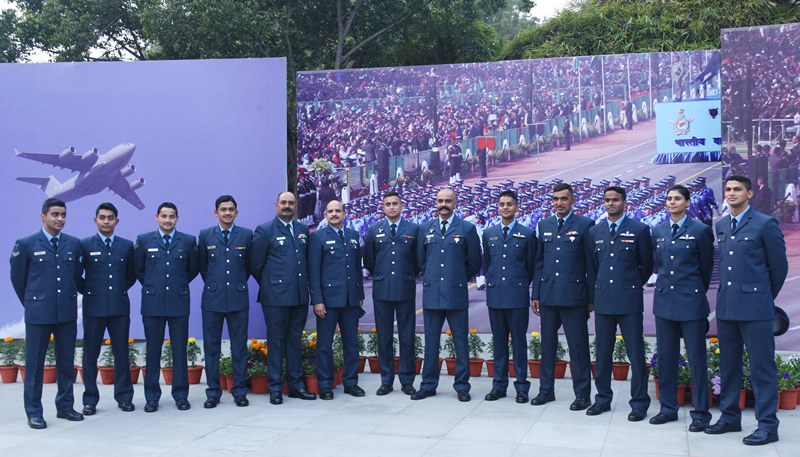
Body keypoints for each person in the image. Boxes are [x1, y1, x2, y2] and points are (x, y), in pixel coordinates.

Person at [706, 175, 787, 446]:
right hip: (727, 308)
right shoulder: (721, 224)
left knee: (761, 368)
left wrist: (762, 297)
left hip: (756, 309)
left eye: (738, 189)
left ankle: (768, 425)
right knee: (729, 366)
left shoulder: (765, 223)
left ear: (749, 193)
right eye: (728, 189)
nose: (731, 193)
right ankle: (730, 417)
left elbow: (779, 268)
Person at [10, 198, 84, 429]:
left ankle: (65, 406)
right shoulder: (26, 244)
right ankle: (34, 412)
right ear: (43, 216)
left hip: (66, 313)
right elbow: (18, 279)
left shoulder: (73, 244)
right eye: (55, 214)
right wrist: (34, 303)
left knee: (66, 362)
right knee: (35, 365)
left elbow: (75, 275)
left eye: (63, 214)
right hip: (39, 314)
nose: (60, 219)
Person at [649, 185, 714, 431]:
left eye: (677, 198)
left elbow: (705, 269)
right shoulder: (658, 230)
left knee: (697, 359)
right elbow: (658, 264)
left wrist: (691, 291)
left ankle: (701, 413)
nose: (672, 202)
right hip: (664, 302)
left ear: (687, 202)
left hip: (691, 303)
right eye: (669, 198)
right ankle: (668, 408)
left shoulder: (700, 230)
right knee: (666, 358)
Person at [587, 186, 652, 421]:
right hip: (604, 300)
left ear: (625, 203)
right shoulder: (595, 231)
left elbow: (647, 265)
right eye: (607, 200)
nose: (611, 204)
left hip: (629, 301)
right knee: (603, 353)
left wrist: (629, 284)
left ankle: (639, 403)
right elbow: (593, 267)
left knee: (636, 353)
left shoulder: (639, 229)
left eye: (615, 200)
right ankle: (602, 399)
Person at [412, 188, 482, 402]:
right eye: (440, 200)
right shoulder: (425, 228)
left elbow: (474, 261)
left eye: (448, 201)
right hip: (432, 294)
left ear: (455, 203)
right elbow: (420, 260)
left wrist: (457, 277)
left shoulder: (467, 228)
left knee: (460, 341)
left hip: (456, 293)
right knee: (431, 341)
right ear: (436, 203)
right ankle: (428, 385)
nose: (443, 204)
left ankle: (462, 386)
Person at [531, 183, 594, 410]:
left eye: (564, 198)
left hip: (574, 297)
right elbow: (539, 262)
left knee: (578, 348)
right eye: (556, 199)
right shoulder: (544, 225)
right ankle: (545, 391)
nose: (559, 203)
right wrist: (536, 293)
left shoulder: (585, 225)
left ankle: (583, 395)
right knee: (547, 347)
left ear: (572, 201)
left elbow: (591, 265)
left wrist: (590, 298)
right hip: (548, 296)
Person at [250, 191, 317, 404]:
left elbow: (305, 262)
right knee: (277, 342)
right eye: (283, 203)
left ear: (296, 206)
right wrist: (273, 284)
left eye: (291, 203)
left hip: (298, 296)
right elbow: (256, 265)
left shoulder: (302, 230)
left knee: (295, 341)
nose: (287, 206)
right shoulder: (265, 230)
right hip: (275, 297)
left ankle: (296, 385)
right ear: (276, 205)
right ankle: (275, 388)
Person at [134, 202, 199, 413]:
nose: (167, 220)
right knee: (153, 351)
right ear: (157, 217)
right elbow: (139, 270)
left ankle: (181, 395)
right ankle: (152, 397)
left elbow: (193, 269)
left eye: (171, 216)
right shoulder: (144, 240)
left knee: (179, 350)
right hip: (152, 304)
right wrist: (154, 287)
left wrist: (177, 286)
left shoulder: (188, 241)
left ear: (177, 218)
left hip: (178, 303)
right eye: (164, 216)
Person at [79, 202, 136, 416]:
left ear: (117, 221)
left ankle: (124, 397)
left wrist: (118, 290)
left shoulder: (126, 246)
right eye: (102, 218)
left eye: (110, 218)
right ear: (95, 220)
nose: (106, 221)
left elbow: (131, 275)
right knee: (90, 355)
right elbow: (76, 275)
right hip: (93, 308)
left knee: (121, 354)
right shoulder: (84, 245)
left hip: (119, 308)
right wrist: (91, 291)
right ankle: (90, 400)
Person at [363, 191, 419, 396]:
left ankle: (407, 381)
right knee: (384, 337)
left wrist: (407, 274)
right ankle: (386, 381)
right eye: (388, 204)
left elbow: (417, 259)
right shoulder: (374, 229)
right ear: (383, 207)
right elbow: (369, 259)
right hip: (382, 290)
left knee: (407, 337)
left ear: (401, 206)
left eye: (395, 203)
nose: (392, 207)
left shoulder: (413, 229)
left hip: (405, 288)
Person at [198, 195, 252, 409]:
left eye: (231, 209)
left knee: (239, 347)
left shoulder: (246, 235)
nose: (227, 213)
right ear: (216, 213)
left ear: (236, 212)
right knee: (211, 347)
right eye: (223, 209)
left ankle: (239, 391)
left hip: (238, 298)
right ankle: (213, 392)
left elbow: (248, 267)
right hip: (213, 299)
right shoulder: (205, 235)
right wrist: (216, 285)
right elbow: (203, 267)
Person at [309, 200, 366, 400]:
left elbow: (357, 267)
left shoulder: (352, 235)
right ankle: (325, 385)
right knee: (325, 345)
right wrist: (317, 300)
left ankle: (351, 383)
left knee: (351, 344)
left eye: (338, 211)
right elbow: (314, 271)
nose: (334, 214)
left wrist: (360, 294)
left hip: (351, 299)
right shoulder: (318, 237)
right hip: (328, 301)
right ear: (325, 214)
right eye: (330, 211)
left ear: (344, 213)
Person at [482, 190, 535, 403]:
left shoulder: (527, 234)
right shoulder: (489, 233)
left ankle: (521, 387)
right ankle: (499, 386)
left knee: (519, 344)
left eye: (509, 204)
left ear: (516, 207)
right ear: (498, 207)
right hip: (496, 296)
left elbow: (530, 266)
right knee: (499, 343)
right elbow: (488, 264)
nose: (505, 207)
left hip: (517, 296)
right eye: (502, 204)